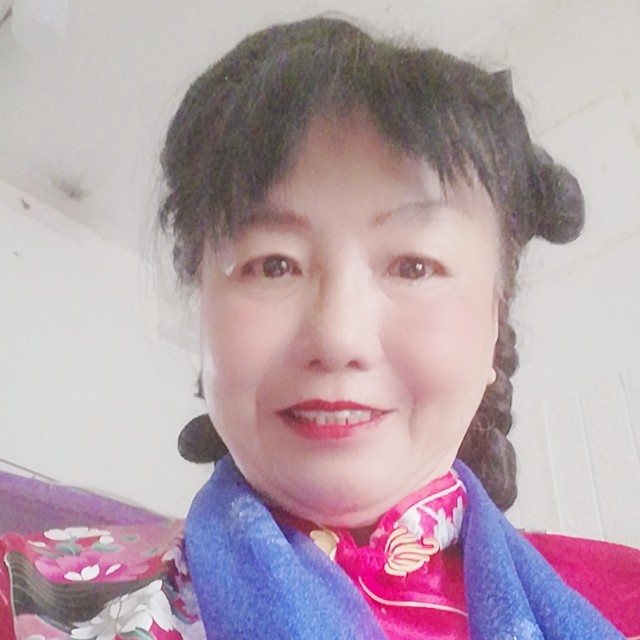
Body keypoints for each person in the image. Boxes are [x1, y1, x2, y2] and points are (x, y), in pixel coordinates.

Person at [1, 15, 639, 640]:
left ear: (494, 323)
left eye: (413, 266)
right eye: (273, 264)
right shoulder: (25, 602)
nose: (338, 337)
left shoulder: (624, 597)